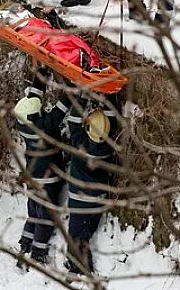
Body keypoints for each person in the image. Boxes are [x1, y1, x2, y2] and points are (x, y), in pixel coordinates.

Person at [14, 89, 72, 266]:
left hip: (32, 179)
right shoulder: (44, 127)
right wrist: (73, 87)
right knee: (45, 218)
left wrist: (40, 80)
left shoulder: (23, 126)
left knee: (33, 214)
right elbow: (60, 109)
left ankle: (25, 245)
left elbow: (35, 104)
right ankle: (38, 253)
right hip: (48, 182)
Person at [65, 99, 115, 276]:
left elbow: (72, 120)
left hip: (80, 203)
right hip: (99, 201)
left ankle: (82, 271)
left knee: (77, 237)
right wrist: (108, 97)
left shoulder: (81, 145)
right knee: (83, 234)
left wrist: (84, 94)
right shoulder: (108, 146)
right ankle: (76, 265)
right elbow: (111, 119)